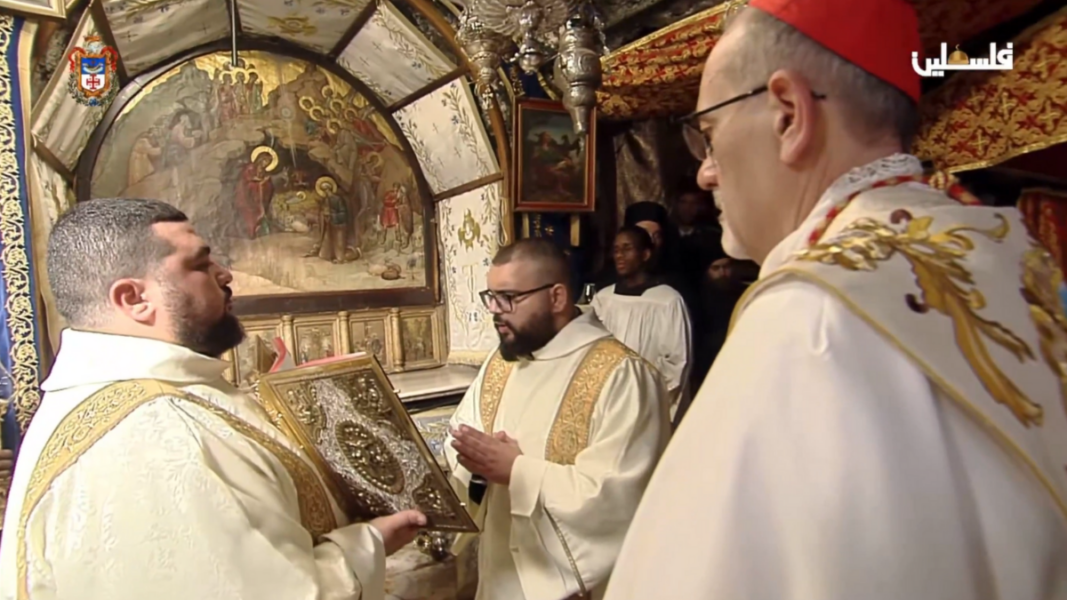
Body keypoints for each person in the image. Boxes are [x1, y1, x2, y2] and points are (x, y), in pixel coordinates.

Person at [606, 0, 1067, 598]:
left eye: (710, 134)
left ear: (789, 115)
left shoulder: (809, 323)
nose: (706, 174)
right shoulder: (1011, 257)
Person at [0, 198, 425, 600]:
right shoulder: (155, 432)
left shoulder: (114, 394)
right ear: (134, 299)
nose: (226, 274)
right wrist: (368, 544)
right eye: (200, 264)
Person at [445, 238, 670, 600]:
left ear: (557, 298)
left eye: (509, 298)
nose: (496, 311)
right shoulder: (502, 363)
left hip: (571, 585)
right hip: (500, 571)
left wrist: (517, 471)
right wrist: (475, 462)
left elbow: (620, 496)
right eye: (491, 297)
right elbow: (461, 436)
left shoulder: (622, 375)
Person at [591, 226, 691, 416]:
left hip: (646, 403)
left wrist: (646, 396)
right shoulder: (604, 298)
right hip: (606, 399)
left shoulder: (666, 300)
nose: (619, 255)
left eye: (627, 249)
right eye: (616, 249)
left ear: (645, 254)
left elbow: (677, 360)